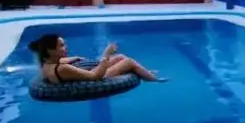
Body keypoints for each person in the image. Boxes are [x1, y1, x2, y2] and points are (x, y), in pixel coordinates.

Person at [27, 33, 167, 84]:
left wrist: (75, 58)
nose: (66, 48)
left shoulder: (46, 63)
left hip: (86, 76)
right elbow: (95, 77)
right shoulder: (63, 69)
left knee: (120, 57)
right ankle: (154, 79)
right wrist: (106, 54)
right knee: (128, 62)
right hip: (97, 79)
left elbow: (64, 61)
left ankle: (145, 72)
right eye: (62, 46)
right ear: (50, 50)